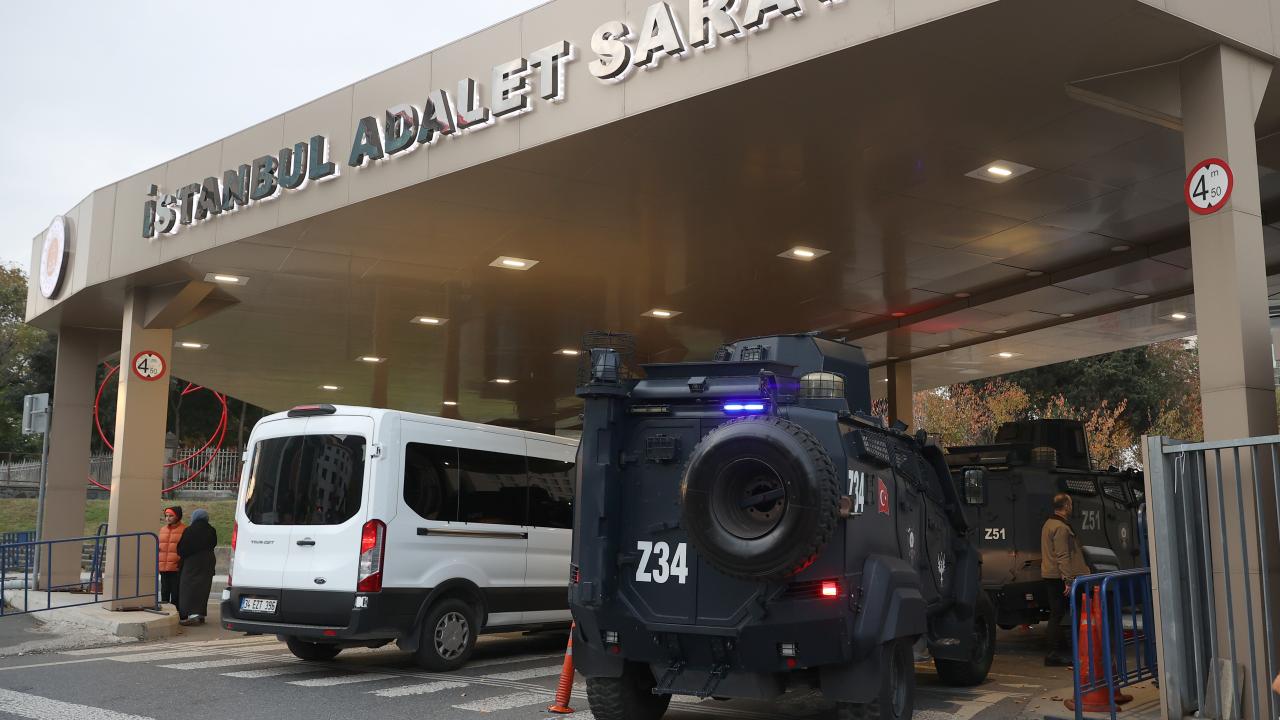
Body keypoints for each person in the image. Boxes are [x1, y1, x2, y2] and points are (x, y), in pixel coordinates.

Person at [1041, 492, 1090, 667]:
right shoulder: (1061, 527)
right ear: (1067, 506)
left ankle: (1053, 653)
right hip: (1060, 577)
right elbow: (1062, 555)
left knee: (1056, 614)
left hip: (1051, 575)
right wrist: (1068, 581)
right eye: (1070, 504)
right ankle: (1055, 654)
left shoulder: (1048, 524)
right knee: (1061, 614)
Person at [177, 508, 218, 626]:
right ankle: (200, 614)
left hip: (192, 563)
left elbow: (182, 549)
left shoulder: (189, 530)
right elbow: (213, 543)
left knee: (188, 588)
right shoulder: (211, 530)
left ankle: (191, 614)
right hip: (208, 561)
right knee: (203, 588)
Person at [157, 506, 185, 609]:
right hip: (163, 567)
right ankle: (165, 611)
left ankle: (176, 611)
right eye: (166, 516)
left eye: (171, 516)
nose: (168, 518)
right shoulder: (162, 529)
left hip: (176, 567)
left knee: (175, 593)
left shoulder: (184, 530)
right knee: (164, 591)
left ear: (177, 516)